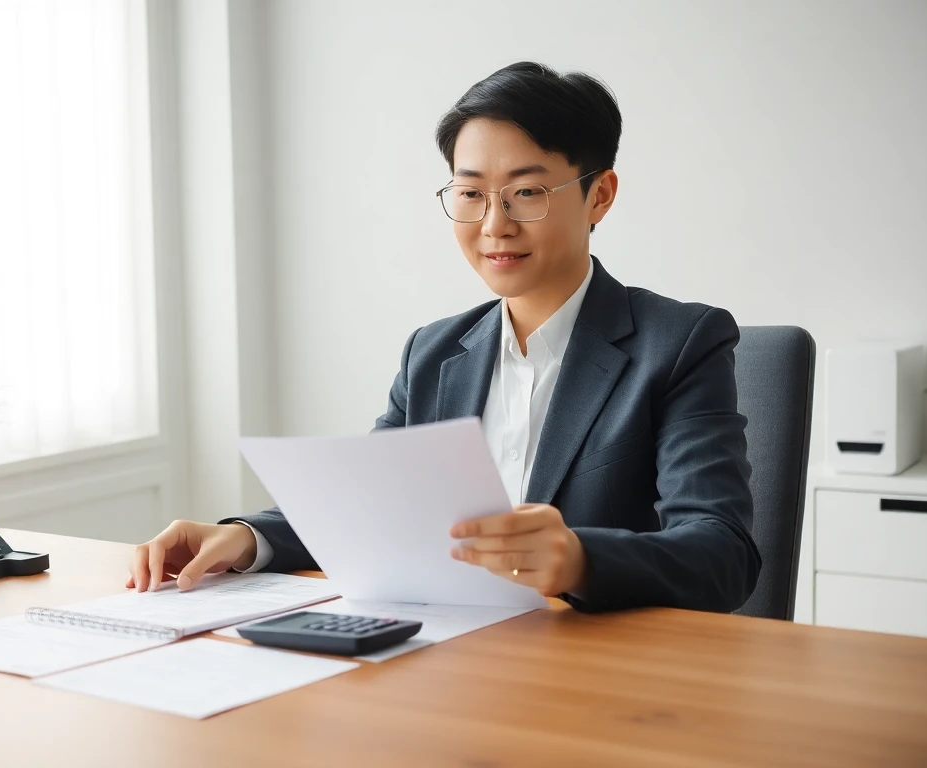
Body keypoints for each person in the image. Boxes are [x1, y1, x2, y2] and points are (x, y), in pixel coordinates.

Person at [125, 61, 760, 613]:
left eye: (527, 192)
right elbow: (367, 505)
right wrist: (247, 537)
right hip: (450, 655)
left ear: (600, 195)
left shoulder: (681, 344)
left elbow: (723, 554)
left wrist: (579, 560)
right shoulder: (432, 354)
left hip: (596, 672)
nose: (494, 224)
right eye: (471, 193)